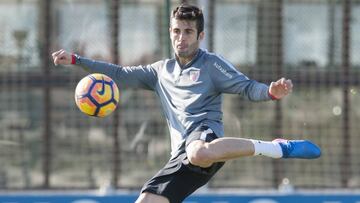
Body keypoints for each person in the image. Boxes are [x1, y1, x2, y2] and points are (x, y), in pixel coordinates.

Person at [52, 4, 321, 203]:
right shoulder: (159, 71)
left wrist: (271, 92)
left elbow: (248, 87)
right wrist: (76, 60)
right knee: (146, 201)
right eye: (177, 31)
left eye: (189, 32)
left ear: (200, 36)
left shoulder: (212, 65)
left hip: (205, 139)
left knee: (198, 152)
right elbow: (120, 74)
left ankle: (275, 148)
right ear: (170, 32)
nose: (182, 37)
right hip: (179, 156)